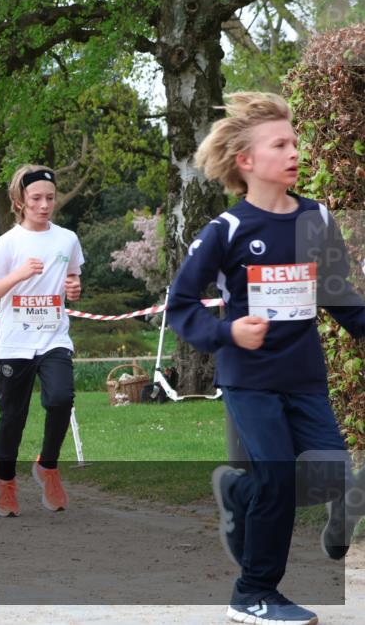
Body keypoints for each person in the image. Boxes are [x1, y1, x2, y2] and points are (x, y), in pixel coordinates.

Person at [167, 92, 365, 625]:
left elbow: (339, 294)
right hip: (249, 378)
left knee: (332, 476)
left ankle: (239, 492)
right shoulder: (227, 231)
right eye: (280, 144)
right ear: (246, 162)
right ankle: (253, 593)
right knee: (279, 477)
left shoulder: (316, 217)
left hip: (304, 375)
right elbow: (180, 305)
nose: (294, 151)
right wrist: (228, 330)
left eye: (295, 142)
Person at [0, 165, 84, 518]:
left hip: (53, 337)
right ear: (19, 201)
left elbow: (73, 285)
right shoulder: (8, 243)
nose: (44, 205)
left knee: (61, 398)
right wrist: (17, 275)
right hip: (15, 343)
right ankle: (5, 483)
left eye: (50, 198)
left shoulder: (67, 239)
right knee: (12, 418)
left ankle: (47, 467)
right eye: (36, 198)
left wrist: (74, 290)